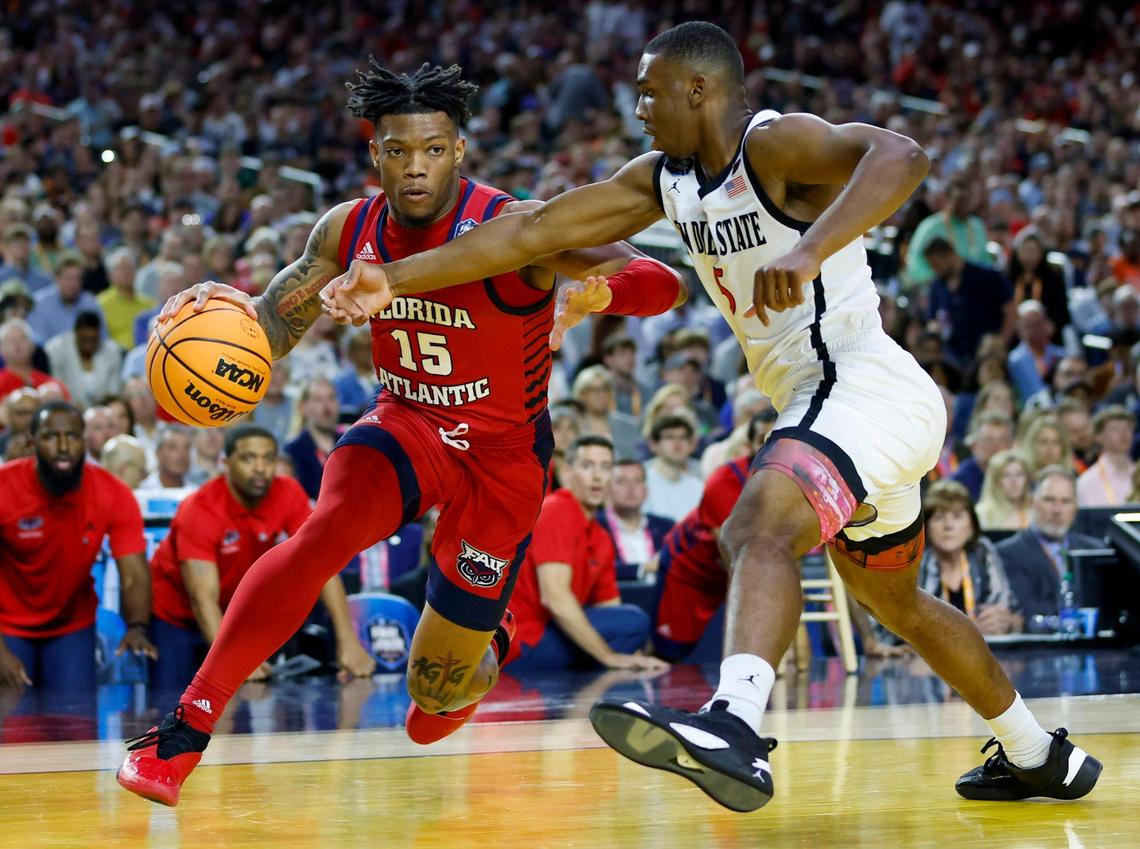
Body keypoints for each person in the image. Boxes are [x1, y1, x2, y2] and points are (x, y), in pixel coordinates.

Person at [322, 22, 1101, 810]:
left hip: (861, 379)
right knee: (896, 602)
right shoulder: (663, 180)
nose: (637, 107)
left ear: (699, 90)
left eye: (649, 91)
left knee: (757, 524)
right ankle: (1040, 754)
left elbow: (901, 155)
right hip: (832, 399)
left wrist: (807, 249)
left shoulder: (775, 146)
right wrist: (393, 277)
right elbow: (528, 233)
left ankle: (734, 724)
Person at [117, 61, 681, 806]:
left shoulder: (519, 225)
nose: (416, 168)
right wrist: (213, 322)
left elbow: (664, 284)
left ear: (460, 150)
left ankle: (488, 639)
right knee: (323, 533)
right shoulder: (347, 228)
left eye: (434, 149)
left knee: (432, 704)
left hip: (503, 457)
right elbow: (273, 324)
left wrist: (601, 289)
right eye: (398, 151)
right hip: (405, 424)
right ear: (374, 153)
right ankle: (185, 727)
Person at [147, 426, 375, 690]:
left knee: (240, 701)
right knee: (173, 702)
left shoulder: (288, 492)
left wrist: (348, 641)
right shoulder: (199, 508)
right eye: (248, 458)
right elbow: (202, 598)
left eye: (268, 458)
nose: (260, 468)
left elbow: (321, 564)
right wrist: (234, 661)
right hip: (178, 615)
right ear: (226, 463)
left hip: (234, 613)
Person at [0, 402, 156, 690]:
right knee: (12, 727)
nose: (63, 446)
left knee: (74, 722)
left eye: (72, 436)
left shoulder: (112, 492)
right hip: (6, 624)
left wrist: (136, 626)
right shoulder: (4, 486)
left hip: (71, 625)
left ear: (84, 440)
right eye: (50, 437)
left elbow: (133, 571)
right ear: (32, 442)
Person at [507, 435, 667, 671]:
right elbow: (555, 599)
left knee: (632, 623)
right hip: (524, 640)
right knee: (634, 621)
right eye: (587, 466)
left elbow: (611, 609)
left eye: (605, 467)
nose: (597, 476)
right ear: (567, 473)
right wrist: (612, 657)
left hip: (552, 634)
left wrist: (635, 657)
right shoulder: (556, 510)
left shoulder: (601, 536)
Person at [650, 413, 767, 661]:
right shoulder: (723, 480)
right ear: (749, 446)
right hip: (688, 569)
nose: (770, 447)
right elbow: (730, 551)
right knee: (671, 651)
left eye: (776, 439)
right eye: (761, 439)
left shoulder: (794, 480)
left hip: (727, 574)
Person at [871, 481, 1021, 648]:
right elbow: (895, 627)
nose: (948, 526)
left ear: (971, 526)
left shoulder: (982, 552)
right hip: (925, 661)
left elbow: (1015, 613)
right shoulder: (913, 561)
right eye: (939, 517)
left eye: (957, 517)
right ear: (926, 527)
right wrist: (969, 632)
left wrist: (1008, 621)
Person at [996, 466, 1102, 624]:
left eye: (1065, 501)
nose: (1057, 510)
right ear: (1033, 502)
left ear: (1075, 508)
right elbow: (1029, 611)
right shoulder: (1007, 553)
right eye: (1049, 500)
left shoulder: (1095, 550)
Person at [597, 458, 674, 581]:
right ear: (608, 489)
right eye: (621, 481)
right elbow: (597, 568)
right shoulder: (596, 525)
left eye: (637, 481)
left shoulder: (666, 527)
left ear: (646, 490)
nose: (631, 487)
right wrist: (643, 568)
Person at [283, 377, 341, 500]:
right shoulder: (293, 450)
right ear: (303, 407)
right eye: (318, 400)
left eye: (331, 398)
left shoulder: (349, 443)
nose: (327, 407)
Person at [641, 411, 704, 522]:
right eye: (669, 437)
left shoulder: (698, 487)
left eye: (683, 437)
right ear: (653, 444)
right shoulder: (642, 483)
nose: (677, 443)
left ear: (691, 445)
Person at [1076, 407, 1136, 507]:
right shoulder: (1087, 482)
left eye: (1128, 428)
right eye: (1115, 429)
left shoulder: (1137, 474)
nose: (1124, 434)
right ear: (1099, 436)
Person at [975, 449, 1032, 531]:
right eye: (1006, 475)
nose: (1014, 481)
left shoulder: (1036, 511)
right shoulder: (981, 514)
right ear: (995, 481)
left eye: (1019, 474)